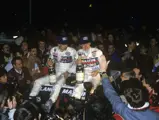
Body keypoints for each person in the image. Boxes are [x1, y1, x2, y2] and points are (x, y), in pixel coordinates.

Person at [29, 36, 77, 113]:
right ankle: (31, 99)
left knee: (58, 84)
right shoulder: (54, 50)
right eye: (63, 44)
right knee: (37, 81)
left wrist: (69, 71)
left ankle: (50, 102)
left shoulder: (72, 51)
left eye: (66, 44)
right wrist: (48, 63)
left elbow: (77, 64)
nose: (65, 45)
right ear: (58, 44)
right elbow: (49, 62)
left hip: (67, 74)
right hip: (55, 73)